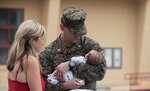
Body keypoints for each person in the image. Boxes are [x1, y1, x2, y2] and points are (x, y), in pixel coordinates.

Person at [39, 7, 106, 91]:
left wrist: (71, 65)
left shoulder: (90, 46)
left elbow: (100, 72)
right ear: (62, 27)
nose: (78, 36)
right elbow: (43, 85)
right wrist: (65, 86)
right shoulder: (48, 53)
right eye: (74, 32)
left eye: (81, 32)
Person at [6, 20, 47, 91]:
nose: (43, 43)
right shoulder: (30, 61)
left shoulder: (14, 58)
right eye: (41, 39)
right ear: (33, 40)